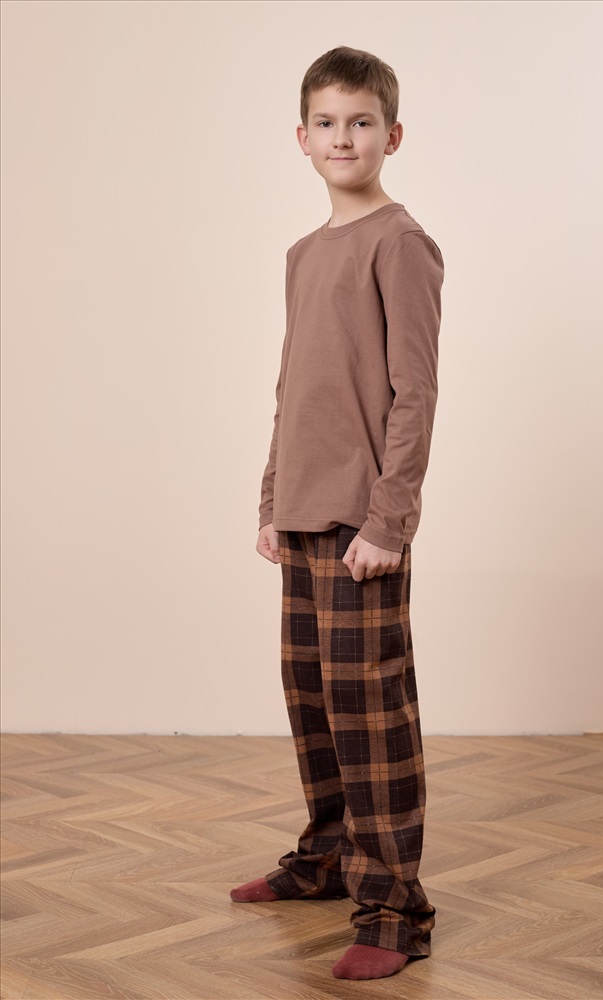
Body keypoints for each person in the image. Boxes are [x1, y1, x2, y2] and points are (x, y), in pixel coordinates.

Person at [231, 44, 445, 982]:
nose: (343, 137)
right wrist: (272, 499)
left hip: (364, 524)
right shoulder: (302, 254)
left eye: (361, 122)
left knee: (369, 713)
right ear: (301, 137)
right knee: (313, 699)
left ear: (392, 136)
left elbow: (414, 394)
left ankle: (394, 909)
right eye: (326, 122)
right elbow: (294, 387)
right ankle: (325, 857)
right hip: (304, 514)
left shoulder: (400, 244)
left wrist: (389, 521)